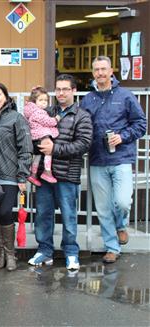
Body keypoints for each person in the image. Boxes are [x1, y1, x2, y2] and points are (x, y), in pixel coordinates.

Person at [80, 56, 146, 263]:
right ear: (93, 73)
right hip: (97, 160)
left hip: (121, 158)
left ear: (111, 71)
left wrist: (123, 136)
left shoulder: (125, 96)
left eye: (103, 69)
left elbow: (140, 124)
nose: (100, 73)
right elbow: (81, 126)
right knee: (103, 208)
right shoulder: (88, 99)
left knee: (122, 201)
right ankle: (112, 247)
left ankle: (121, 225)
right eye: (96, 69)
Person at [28, 74, 92, 270]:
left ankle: (71, 252)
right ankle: (44, 250)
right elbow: (31, 130)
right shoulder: (46, 111)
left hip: (67, 175)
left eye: (65, 89)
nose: (61, 93)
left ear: (73, 91)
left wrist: (54, 149)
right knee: (43, 214)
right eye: (58, 89)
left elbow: (83, 144)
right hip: (44, 174)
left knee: (69, 216)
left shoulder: (82, 115)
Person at [0, 83, 32, 271]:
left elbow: (26, 148)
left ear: (6, 96)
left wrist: (22, 175)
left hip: (10, 175)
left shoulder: (16, 118)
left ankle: (11, 254)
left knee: (4, 212)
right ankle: (1, 254)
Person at [23, 86, 59, 186]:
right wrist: (56, 119)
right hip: (42, 134)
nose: (44, 102)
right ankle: (47, 171)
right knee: (48, 151)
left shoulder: (30, 111)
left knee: (38, 156)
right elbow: (47, 121)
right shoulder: (38, 112)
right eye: (41, 100)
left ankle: (33, 174)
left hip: (35, 135)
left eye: (46, 100)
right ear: (34, 101)